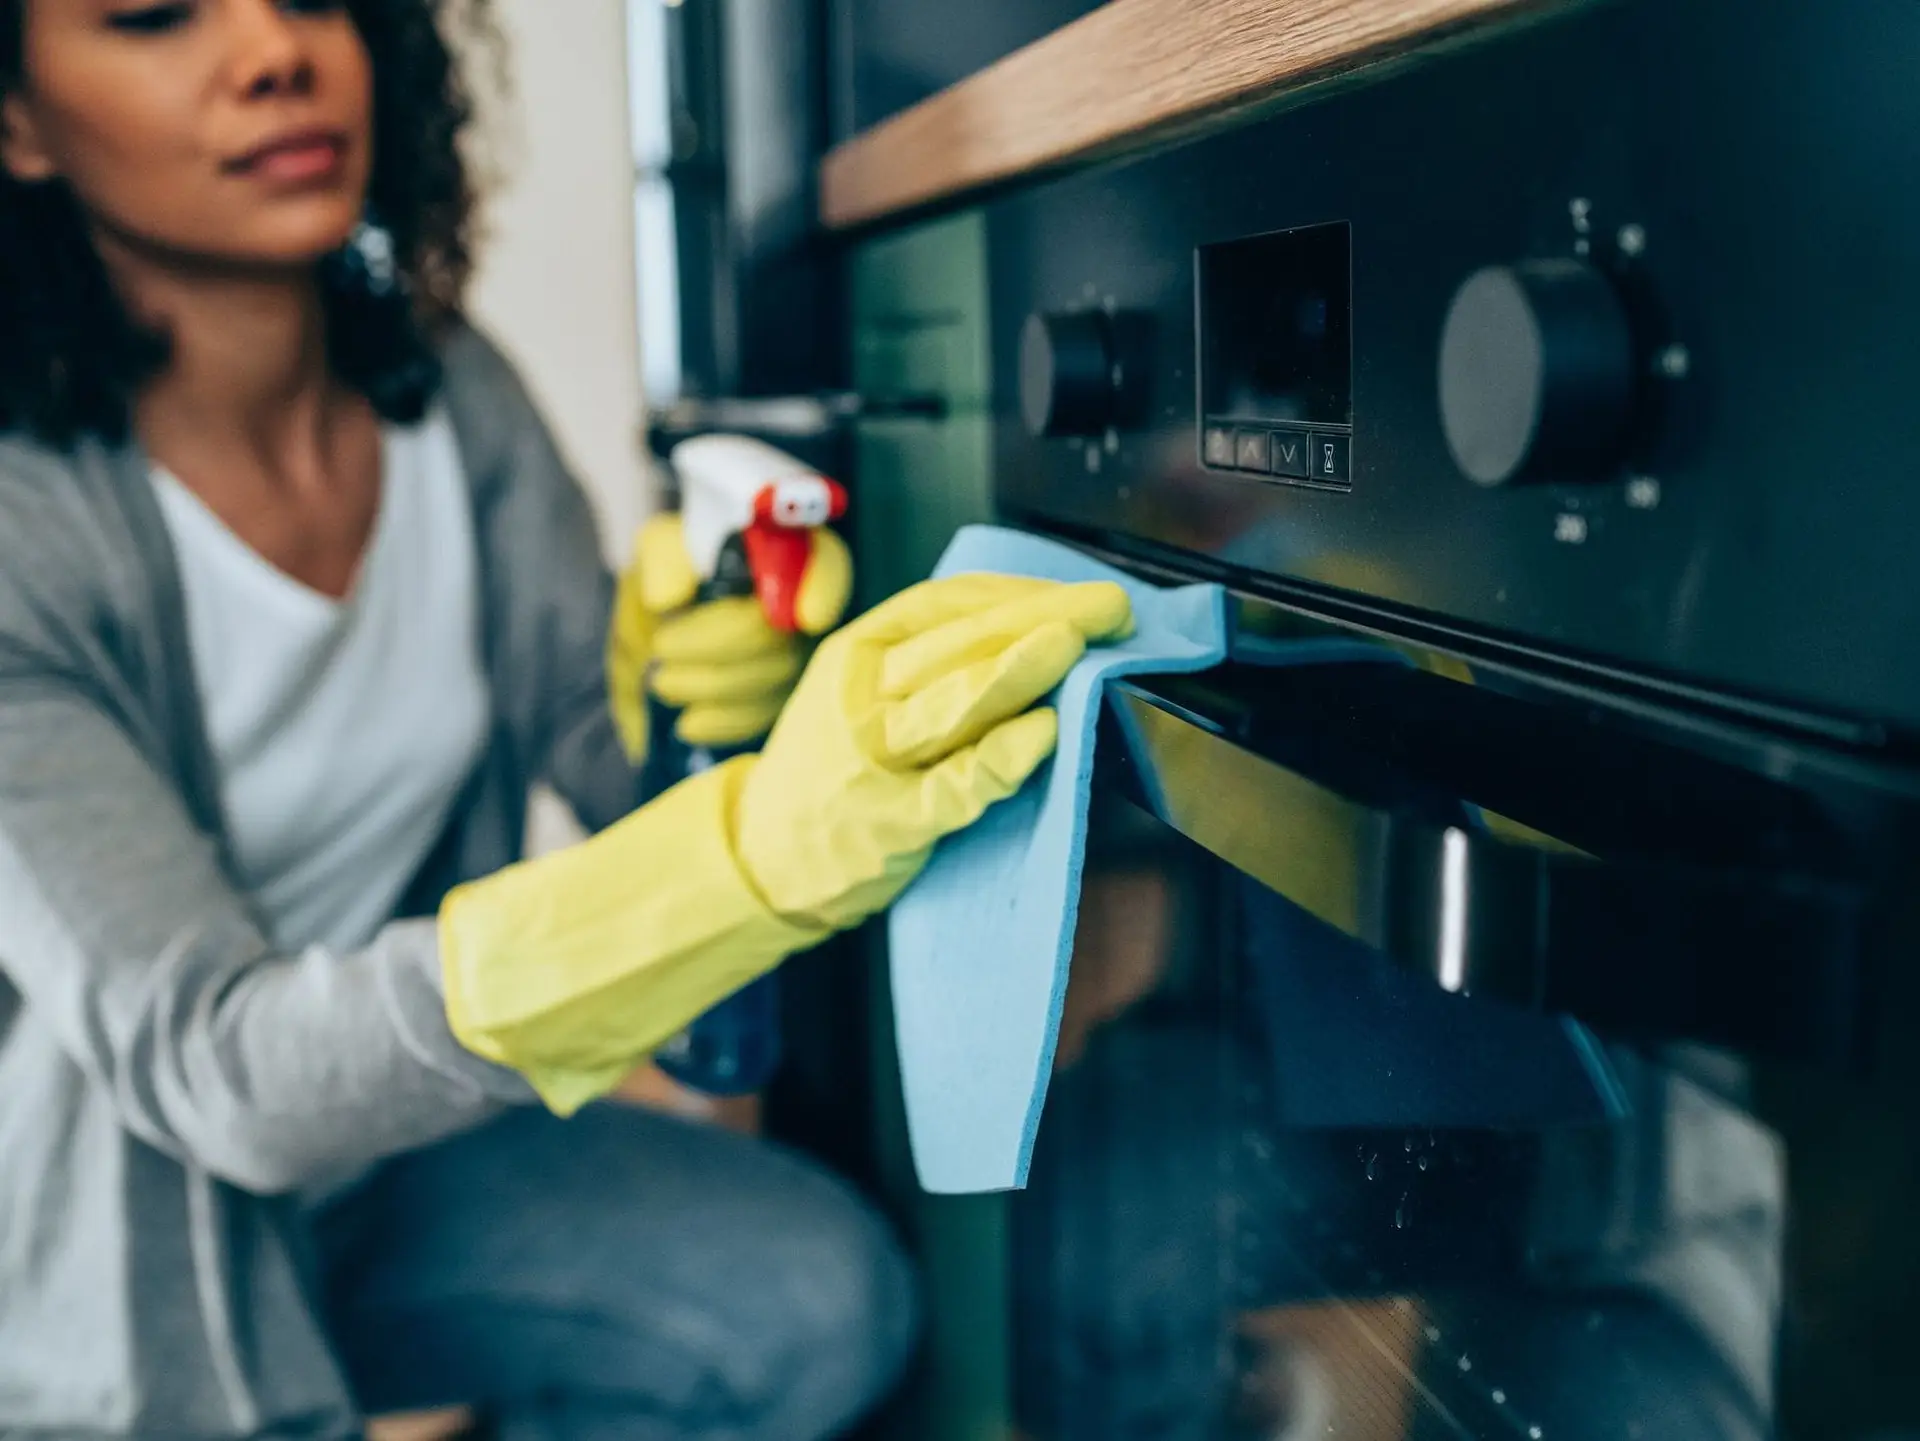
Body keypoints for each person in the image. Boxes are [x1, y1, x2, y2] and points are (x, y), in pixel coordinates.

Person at [0, 3, 1132, 1440]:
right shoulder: (22, 542)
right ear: (18, 122)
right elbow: (221, 1074)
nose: (271, 51)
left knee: (816, 1304)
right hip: (109, 1237)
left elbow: (611, 770)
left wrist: (714, 700)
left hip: (393, 1152)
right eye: (155, 12)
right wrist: (748, 857)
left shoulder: (445, 395)